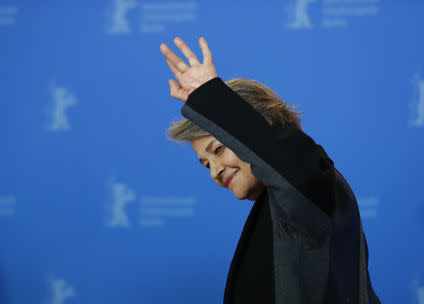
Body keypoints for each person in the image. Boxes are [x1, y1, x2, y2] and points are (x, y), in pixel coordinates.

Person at [160, 37, 381, 304]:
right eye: (206, 164)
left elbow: (291, 169)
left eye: (218, 150)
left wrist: (212, 98)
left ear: (260, 125)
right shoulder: (280, 210)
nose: (214, 172)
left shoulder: (311, 185)